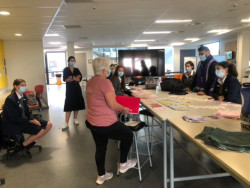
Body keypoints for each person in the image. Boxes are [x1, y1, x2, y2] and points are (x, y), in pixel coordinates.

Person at [85, 57, 137, 185]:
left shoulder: (90, 81)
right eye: (108, 68)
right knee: (128, 135)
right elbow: (113, 104)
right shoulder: (105, 82)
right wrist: (124, 109)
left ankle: (101, 175)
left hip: (92, 121)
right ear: (104, 70)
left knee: (100, 147)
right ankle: (123, 163)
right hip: (105, 122)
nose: (110, 70)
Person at [1, 79, 52, 151]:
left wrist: (33, 119)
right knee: (41, 131)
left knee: (49, 124)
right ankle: (22, 146)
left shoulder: (23, 96)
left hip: (25, 120)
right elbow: (14, 118)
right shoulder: (11, 99)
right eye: (22, 85)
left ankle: (30, 142)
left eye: (25, 85)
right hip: (15, 123)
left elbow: (28, 112)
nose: (24, 87)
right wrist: (30, 121)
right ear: (15, 86)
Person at [62, 56, 85, 131]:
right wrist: (74, 77)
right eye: (71, 60)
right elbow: (65, 79)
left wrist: (71, 77)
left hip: (77, 89)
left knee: (77, 103)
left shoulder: (77, 69)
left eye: (74, 60)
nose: (72, 62)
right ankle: (66, 122)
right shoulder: (65, 69)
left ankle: (75, 118)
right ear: (68, 61)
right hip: (69, 90)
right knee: (69, 104)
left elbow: (79, 79)